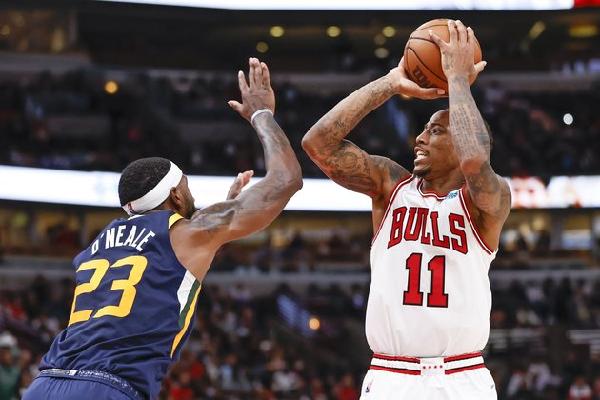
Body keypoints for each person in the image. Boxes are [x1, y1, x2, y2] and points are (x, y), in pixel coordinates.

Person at [23, 57, 302, 400]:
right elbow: (285, 180)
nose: (190, 192)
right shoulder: (186, 233)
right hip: (106, 388)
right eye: (186, 185)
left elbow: (168, 266)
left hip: (44, 384)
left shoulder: (99, 244)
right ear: (174, 193)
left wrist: (223, 215)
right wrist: (262, 115)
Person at [302, 20, 510, 399]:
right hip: (391, 375)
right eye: (424, 129)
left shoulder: (487, 202)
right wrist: (391, 82)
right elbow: (318, 143)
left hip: (462, 376)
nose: (420, 137)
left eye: (435, 130)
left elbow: (476, 160)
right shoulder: (390, 186)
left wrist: (458, 80)